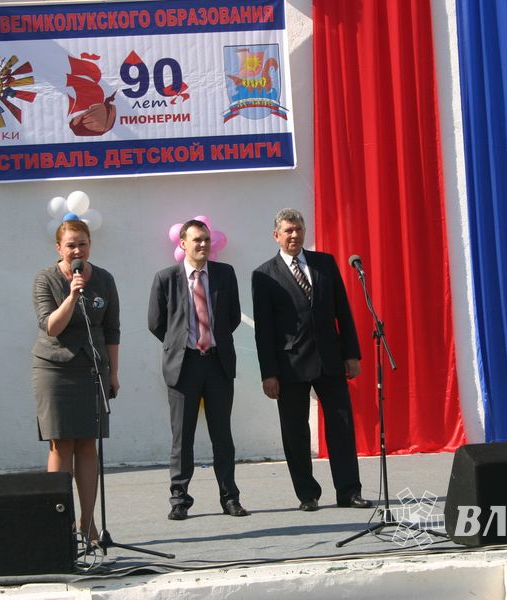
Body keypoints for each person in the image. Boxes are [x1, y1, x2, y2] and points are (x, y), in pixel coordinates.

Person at [251, 208, 372, 512]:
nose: (294, 235)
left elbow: (342, 311)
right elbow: (264, 331)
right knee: (295, 432)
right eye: (288, 231)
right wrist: (269, 373)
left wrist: (352, 353)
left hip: (330, 360)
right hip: (289, 365)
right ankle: (308, 494)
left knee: (341, 427)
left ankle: (349, 491)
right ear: (276, 236)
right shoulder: (264, 275)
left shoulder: (325, 263)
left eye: (298, 229)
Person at [148, 219, 248, 520]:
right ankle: (179, 499)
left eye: (206, 239)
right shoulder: (166, 278)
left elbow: (231, 317)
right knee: (183, 437)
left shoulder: (224, 274)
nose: (203, 244)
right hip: (184, 366)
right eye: (196, 240)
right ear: (182, 244)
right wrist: (182, 343)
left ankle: (230, 498)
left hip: (217, 364)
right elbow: (156, 322)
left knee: (223, 436)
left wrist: (210, 341)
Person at [31, 219, 120, 546]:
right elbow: (51, 326)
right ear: (59, 248)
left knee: (87, 443)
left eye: (82, 243)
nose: (77, 250)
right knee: (61, 443)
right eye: (70, 245)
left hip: (91, 368)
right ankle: (59, 522)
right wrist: (72, 295)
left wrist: (112, 372)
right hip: (53, 370)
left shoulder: (105, 279)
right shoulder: (45, 279)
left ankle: (87, 523)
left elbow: (112, 329)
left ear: (89, 245)